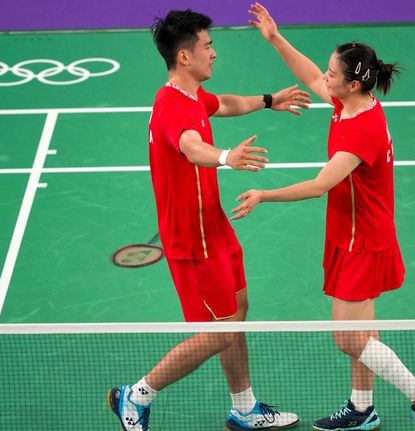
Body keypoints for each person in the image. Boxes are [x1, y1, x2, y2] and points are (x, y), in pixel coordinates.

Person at [234, 3, 415, 431]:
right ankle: (362, 406)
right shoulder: (348, 103)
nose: (325, 79)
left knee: (347, 337)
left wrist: (264, 194)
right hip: (348, 232)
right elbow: (311, 74)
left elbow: (319, 185)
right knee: (362, 335)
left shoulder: (362, 128)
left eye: (334, 74)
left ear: (353, 83)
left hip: (363, 240)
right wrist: (276, 38)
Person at [107, 9, 311, 431]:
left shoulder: (192, 96)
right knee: (219, 332)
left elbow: (227, 104)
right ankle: (137, 394)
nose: (214, 54)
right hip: (191, 241)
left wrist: (270, 100)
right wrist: (225, 158)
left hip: (214, 227)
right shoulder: (171, 108)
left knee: (237, 311)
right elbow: (190, 146)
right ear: (184, 57)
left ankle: (245, 408)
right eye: (207, 46)